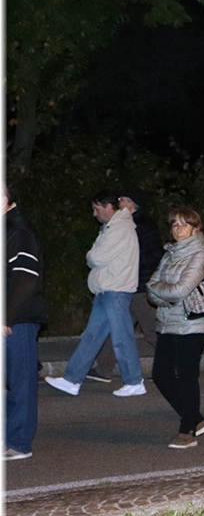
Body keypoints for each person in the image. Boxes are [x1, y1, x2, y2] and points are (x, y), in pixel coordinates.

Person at [45, 190, 146, 398]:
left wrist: (90, 255)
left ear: (109, 207)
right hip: (108, 289)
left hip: (115, 289)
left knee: (122, 337)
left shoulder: (120, 227)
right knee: (93, 336)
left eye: (96, 208)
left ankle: (134, 381)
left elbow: (97, 258)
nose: (94, 214)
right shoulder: (112, 227)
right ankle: (72, 379)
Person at [146, 207, 204, 448]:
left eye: (184, 224)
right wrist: (166, 295)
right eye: (174, 224)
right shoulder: (169, 254)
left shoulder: (200, 255)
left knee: (186, 376)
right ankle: (195, 418)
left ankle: (187, 430)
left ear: (195, 228)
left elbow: (181, 290)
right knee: (160, 375)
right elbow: (151, 290)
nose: (178, 229)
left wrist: (162, 292)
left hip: (192, 323)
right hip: (167, 321)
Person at [90, 186, 164, 384]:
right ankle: (103, 368)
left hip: (141, 287)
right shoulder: (125, 224)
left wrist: (131, 263)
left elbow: (156, 255)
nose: (118, 202)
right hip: (128, 285)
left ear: (132, 203)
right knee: (117, 327)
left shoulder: (143, 225)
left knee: (153, 331)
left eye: (122, 199)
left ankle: (172, 367)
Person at [5, 183, 46, 460]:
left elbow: (25, 278)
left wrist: (8, 317)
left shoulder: (19, 231)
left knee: (20, 383)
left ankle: (19, 442)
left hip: (17, 320)